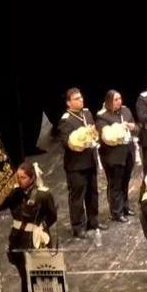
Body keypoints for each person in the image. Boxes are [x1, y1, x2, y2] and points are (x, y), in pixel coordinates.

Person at [0, 162, 57, 292]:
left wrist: (41, 228)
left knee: (41, 276)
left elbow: (52, 216)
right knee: (24, 277)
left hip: (36, 240)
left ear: (32, 178)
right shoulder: (13, 193)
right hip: (18, 239)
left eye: (23, 177)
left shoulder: (43, 194)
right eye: (17, 177)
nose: (20, 180)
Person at [59, 88, 103, 238]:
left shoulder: (87, 113)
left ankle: (94, 221)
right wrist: (81, 141)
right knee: (77, 196)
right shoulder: (66, 120)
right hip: (76, 165)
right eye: (77, 99)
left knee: (93, 193)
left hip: (90, 161)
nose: (81, 100)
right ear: (69, 102)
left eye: (81, 97)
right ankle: (78, 226)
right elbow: (66, 142)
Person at [95, 89, 135, 222]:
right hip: (113, 155)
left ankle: (125, 207)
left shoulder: (126, 111)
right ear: (109, 101)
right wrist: (119, 129)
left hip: (128, 152)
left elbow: (136, 127)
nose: (119, 102)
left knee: (125, 181)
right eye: (116, 99)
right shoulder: (102, 116)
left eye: (120, 99)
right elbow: (105, 136)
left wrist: (132, 127)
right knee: (115, 184)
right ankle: (116, 212)